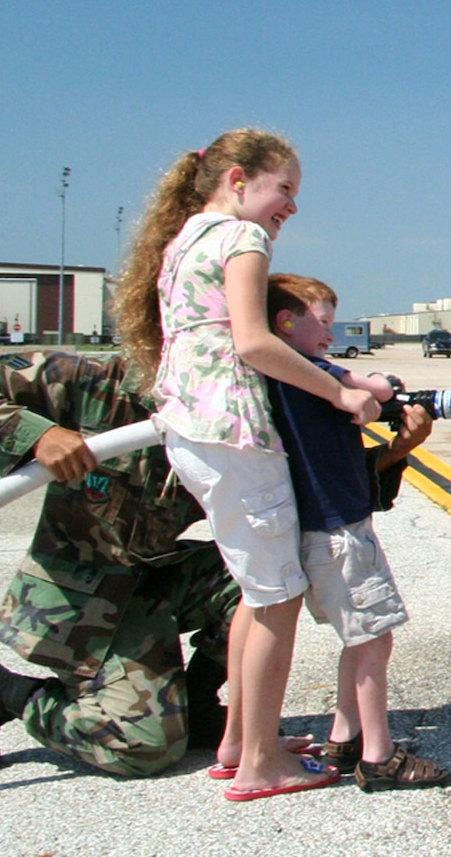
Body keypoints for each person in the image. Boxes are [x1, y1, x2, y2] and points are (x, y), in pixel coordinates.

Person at [115, 129, 381, 801]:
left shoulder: (183, 241)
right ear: (237, 179)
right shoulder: (242, 238)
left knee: (253, 591)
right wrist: (341, 391)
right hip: (234, 433)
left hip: (192, 430)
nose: (290, 205)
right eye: (283, 188)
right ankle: (263, 764)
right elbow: (256, 342)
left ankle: (241, 739)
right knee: (276, 599)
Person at [0, 351, 232, 775]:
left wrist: (387, 453)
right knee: (142, 748)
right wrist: (37, 434)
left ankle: (195, 705)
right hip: (80, 600)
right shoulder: (91, 380)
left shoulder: (232, 404)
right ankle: (4, 691)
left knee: (272, 574)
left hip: (154, 579)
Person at [264, 273, 451, 791]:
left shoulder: (289, 380)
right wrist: (387, 389)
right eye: (322, 323)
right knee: (374, 642)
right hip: (339, 534)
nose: (331, 333)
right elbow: (366, 387)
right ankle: (380, 756)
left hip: (330, 529)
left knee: (359, 638)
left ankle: (344, 738)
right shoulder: (306, 374)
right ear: (285, 322)